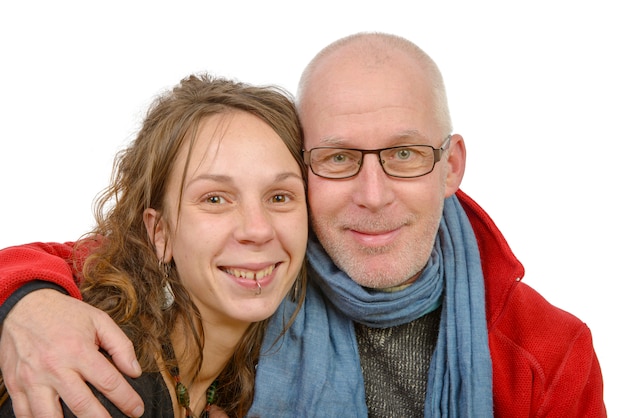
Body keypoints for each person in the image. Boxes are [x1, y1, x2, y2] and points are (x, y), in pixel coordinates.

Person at [0, 32, 606, 417]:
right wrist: (24, 303)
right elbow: (95, 258)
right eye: (340, 158)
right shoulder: (262, 272)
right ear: (310, 169)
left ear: (451, 166)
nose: (372, 196)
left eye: (404, 153)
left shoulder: (549, 355)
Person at [0, 73, 308, 417]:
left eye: (280, 197)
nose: (257, 229)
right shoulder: (105, 383)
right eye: (215, 199)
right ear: (159, 232)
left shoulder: (255, 374)